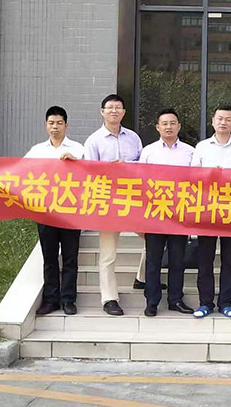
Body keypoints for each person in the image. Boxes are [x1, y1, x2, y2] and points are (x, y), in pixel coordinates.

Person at [0, 106, 85, 316]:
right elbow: (16, 173)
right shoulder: (37, 151)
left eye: (59, 123)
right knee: (49, 259)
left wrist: (77, 163)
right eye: (51, 123)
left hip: (71, 213)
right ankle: (51, 300)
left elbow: (90, 176)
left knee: (70, 259)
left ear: (66, 125)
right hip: (45, 212)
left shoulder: (78, 149)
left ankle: (69, 300)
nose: (55, 127)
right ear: (46, 125)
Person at [83, 94, 143, 316]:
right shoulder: (94, 140)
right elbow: (88, 172)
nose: (114, 111)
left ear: (124, 112)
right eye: (110, 108)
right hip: (107, 201)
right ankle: (109, 298)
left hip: (133, 199)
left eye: (118, 107)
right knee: (108, 253)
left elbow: (144, 167)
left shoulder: (133, 138)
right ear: (102, 112)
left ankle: (142, 278)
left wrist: (127, 166)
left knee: (155, 238)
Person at [191, 105, 231, 319]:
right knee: (205, 259)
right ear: (213, 121)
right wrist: (209, 176)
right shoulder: (202, 147)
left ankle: (225, 302)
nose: (223, 122)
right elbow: (192, 176)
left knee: (229, 259)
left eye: (228, 119)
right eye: (220, 118)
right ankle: (205, 302)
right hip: (206, 210)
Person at [139, 108, 195, 317]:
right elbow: (140, 181)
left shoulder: (190, 152)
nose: (169, 127)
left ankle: (176, 299)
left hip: (180, 214)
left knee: (177, 259)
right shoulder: (149, 151)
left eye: (172, 123)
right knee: (153, 260)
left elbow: (196, 182)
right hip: (155, 213)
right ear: (157, 127)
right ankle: (152, 301)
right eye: (164, 123)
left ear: (179, 126)